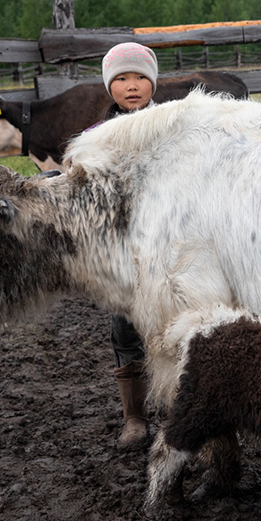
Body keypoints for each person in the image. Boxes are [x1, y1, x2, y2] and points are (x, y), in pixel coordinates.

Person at [95, 42, 159, 448]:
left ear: (152, 82)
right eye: (121, 78)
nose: (131, 86)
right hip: (124, 249)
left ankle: (184, 411)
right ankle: (134, 418)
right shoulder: (98, 138)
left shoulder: (172, 126)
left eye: (139, 77)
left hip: (174, 244)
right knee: (125, 329)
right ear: (109, 87)